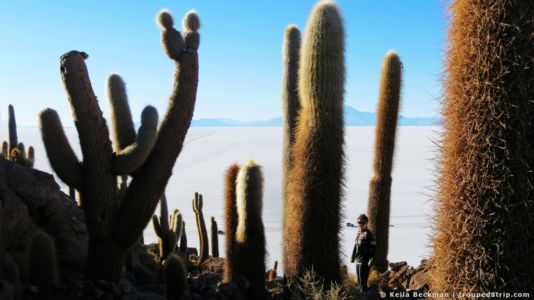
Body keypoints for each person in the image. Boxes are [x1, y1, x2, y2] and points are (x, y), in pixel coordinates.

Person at [351, 214, 376, 293]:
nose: (360, 224)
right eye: (359, 222)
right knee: (358, 280)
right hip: (357, 260)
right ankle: (361, 294)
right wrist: (352, 257)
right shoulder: (359, 233)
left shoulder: (369, 234)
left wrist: (371, 260)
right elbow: (356, 246)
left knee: (363, 281)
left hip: (364, 261)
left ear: (366, 223)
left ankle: (364, 295)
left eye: (362, 222)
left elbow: (373, 248)